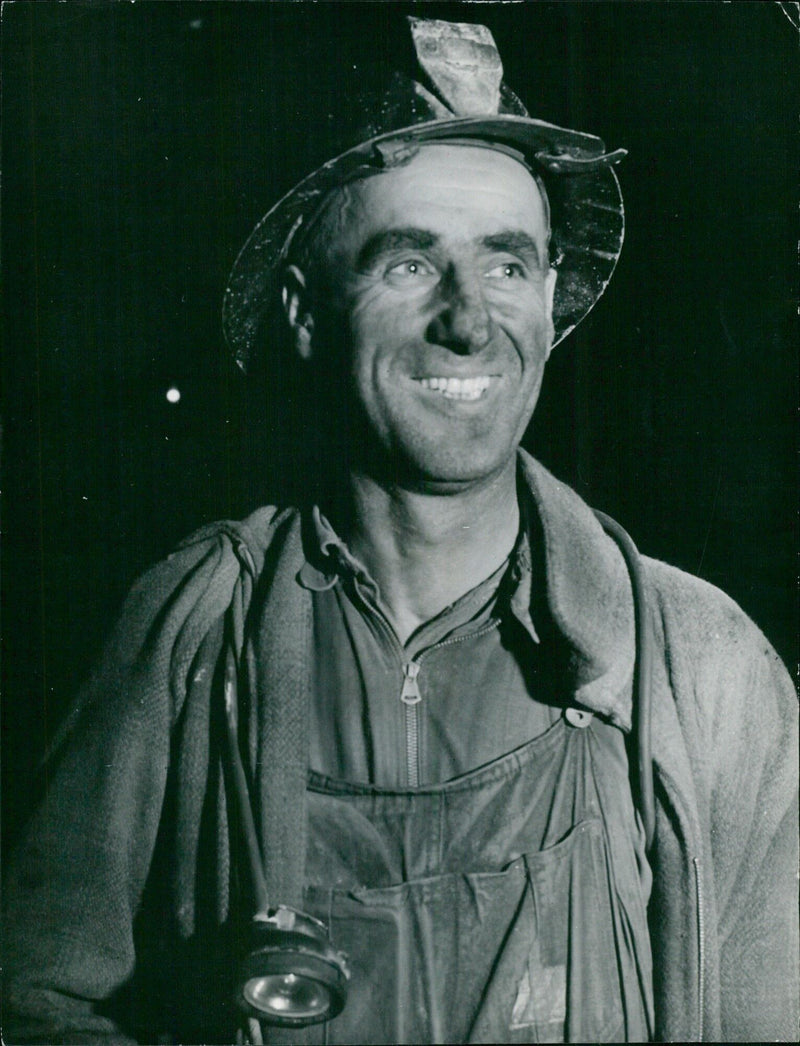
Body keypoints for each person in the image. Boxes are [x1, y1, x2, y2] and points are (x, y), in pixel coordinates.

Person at [4, 16, 797, 1045]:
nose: (470, 319)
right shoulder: (194, 628)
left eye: (507, 264)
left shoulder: (694, 662)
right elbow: (36, 1003)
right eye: (408, 263)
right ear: (304, 312)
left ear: (551, 298)